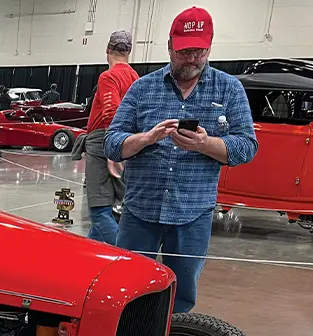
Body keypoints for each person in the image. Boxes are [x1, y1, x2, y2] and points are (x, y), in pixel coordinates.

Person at [105, 6, 257, 312]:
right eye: (184, 51)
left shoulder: (229, 89)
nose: (191, 59)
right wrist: (146, 138)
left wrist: (205, 143)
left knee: (182, 297)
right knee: (125, 292)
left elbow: (246, 147)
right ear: (170, 46)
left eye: (199, 52)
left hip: (193, 213)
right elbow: (111, 144)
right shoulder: (141, 89)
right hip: (140, 212)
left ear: (210, 47)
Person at [82, 30, 139, 245]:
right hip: (127, 140)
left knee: (99, 210)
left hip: (102, 143)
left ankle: (127, 259)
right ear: (129, 52)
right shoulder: (135, 77)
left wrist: (112, 151)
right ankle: (90, 255)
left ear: (108, 50)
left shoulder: (108, 76)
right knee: (113, 210)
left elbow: (111, 113)